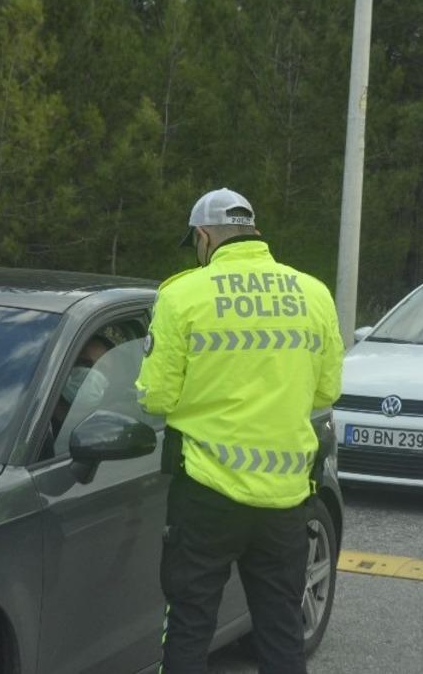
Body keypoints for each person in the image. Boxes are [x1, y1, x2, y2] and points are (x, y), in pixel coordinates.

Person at [136, 188, 344, 674]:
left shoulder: (182, 295)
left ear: (204, 237)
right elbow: (326, 390)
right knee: (281, 630)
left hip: (205, 494)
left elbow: (155, 397)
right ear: (253, 232)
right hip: (286, 498)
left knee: (190, 625)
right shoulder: (314, 293)